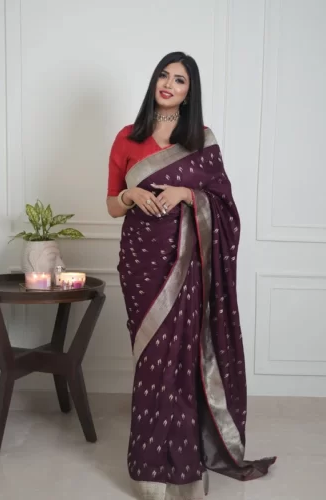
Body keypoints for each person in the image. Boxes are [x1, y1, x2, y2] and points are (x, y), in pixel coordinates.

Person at [106, 51, 275, 500]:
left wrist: (187, 193)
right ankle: (149, 469)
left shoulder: (201, 140)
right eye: (163, 75)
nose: (168, 84)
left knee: (181, 359)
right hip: (142, 260)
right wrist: (130, 196)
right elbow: (110, 204)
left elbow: (224, 206)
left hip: (188, 264)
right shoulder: (127, 137)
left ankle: (184, 467)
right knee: (152, 362)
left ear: (189, 92)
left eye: (179, 80)